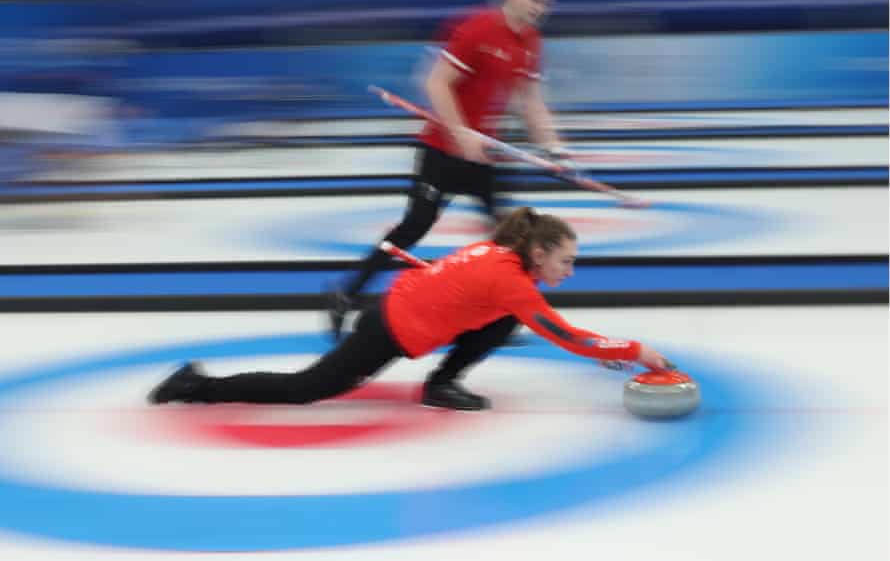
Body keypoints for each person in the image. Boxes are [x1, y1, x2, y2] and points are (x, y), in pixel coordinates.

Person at [149, 207, 672, 411]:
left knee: (510, 316)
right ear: (539, 253)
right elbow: (567, 336)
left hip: (400, 309)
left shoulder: (507, 258)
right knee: (307, 389)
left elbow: (547, 323)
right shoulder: (511, 278)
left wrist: (609, 353)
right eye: (567, 261)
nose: (571, 271)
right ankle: (195, 386)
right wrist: (636, 350)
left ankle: (441, 383)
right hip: (390, 327)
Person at [326, 0, 567, 340]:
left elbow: (529, 100)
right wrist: (459, 133)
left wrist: (552, 146)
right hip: (441, 152)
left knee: (509, 238)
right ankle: (346, 294)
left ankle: (502, 315)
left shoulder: (530, 41)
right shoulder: (476, 29)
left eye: (545, 3)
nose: (539, 8)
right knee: (414, 227)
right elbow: (435, 82)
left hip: (482, 156)